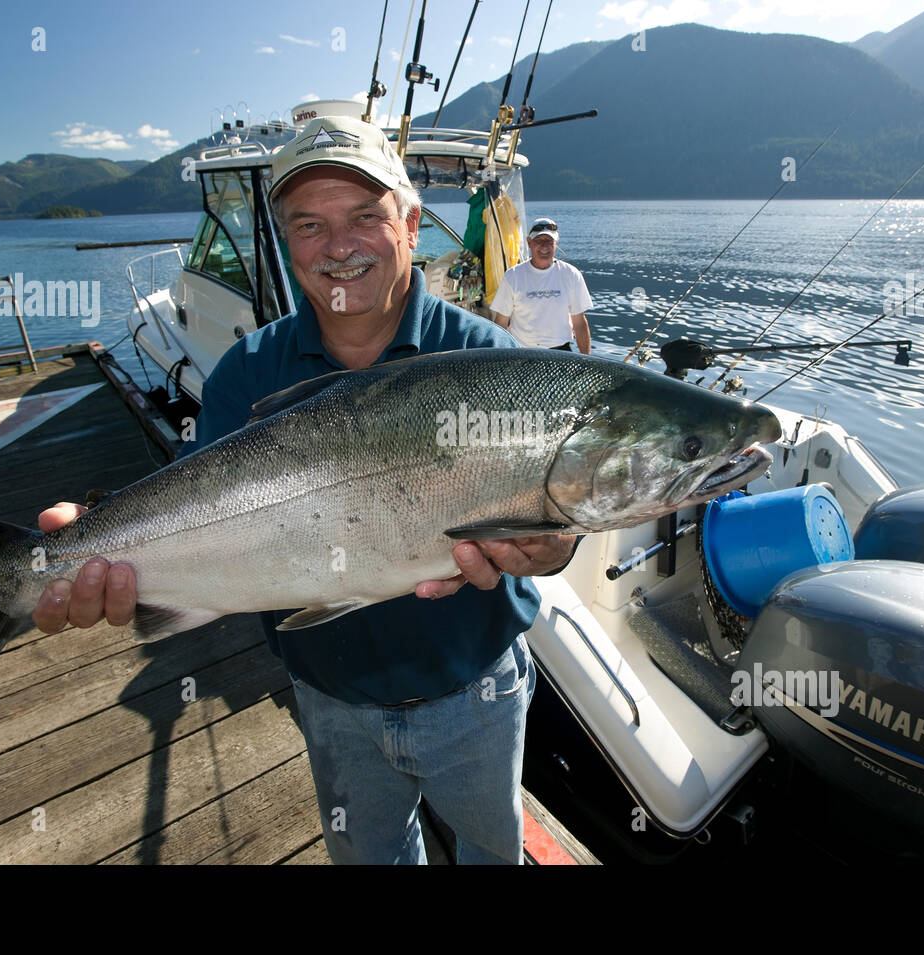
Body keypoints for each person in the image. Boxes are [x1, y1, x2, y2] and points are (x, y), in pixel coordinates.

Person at [29, 114, 578, 865]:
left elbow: (556, 531)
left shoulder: (485, 359)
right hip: (330, 697)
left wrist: (551, 546)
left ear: (411, 224)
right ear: (287, 242)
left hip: (474, 691)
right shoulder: (247, 372)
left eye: (364, 217)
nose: (339, 246)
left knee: (491, 851)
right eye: (311, 224)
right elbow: (191, 508)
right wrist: (92, 542)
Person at [490, 217, 593, 353]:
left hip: (561, 353)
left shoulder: (571, 275)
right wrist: (499, 358)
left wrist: (586, 359)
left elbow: (579, 323)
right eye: (539, 241)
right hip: (521, 352)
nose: (544, 246)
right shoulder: (512, 276)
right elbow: (501, 323)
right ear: (529, 243)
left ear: (556, 243)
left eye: (549, 241)